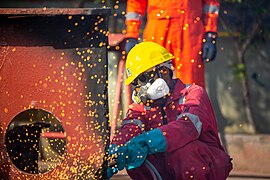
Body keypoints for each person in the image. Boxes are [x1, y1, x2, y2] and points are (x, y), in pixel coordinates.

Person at [107, 42, 232, 180]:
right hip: (167, 169)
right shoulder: (141, 107)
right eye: (136, 82)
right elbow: (130, 128)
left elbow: (187, 127)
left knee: (183, 150)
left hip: (206, 167)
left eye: (142, 78)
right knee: (135, 160)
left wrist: (146, 141)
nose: (140, 87)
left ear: (164, 72)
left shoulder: (193, 93)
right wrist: (115, 151)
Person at [125, 0, 220, 88]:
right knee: (152, 83)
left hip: (189, 31)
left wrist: (210, 34)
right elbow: (136, 3)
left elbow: (210, 3)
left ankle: (190, 107)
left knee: (191, 85)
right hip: (158, 28)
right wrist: (132, 34)